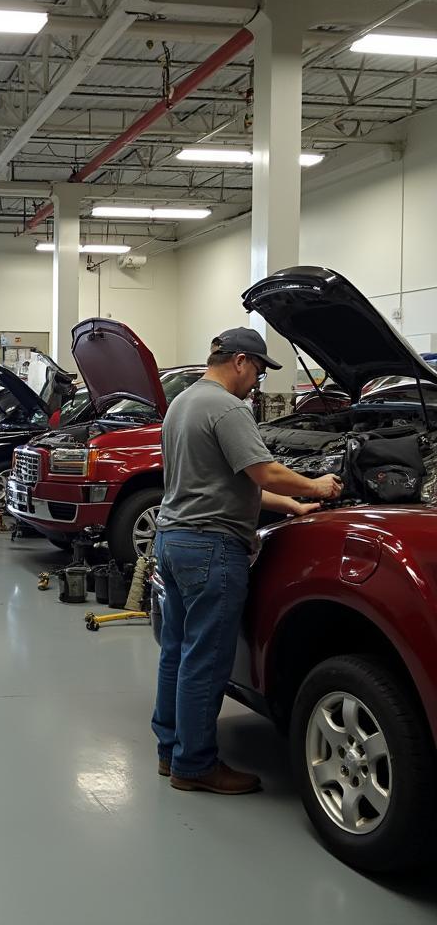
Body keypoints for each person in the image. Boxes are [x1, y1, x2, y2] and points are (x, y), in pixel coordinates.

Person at [152, 327, 343, 795]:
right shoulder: (227, 407)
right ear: (239, 360)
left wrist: (293, 507)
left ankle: (170, 749)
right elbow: (264, 470)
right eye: (258, 370)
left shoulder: (183, 403)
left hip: (174, 539)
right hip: (212, 548)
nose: (257, 382)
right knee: (206, 660)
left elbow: (227, 482)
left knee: (177, 652)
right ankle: (194, 765)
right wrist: (316, 486)